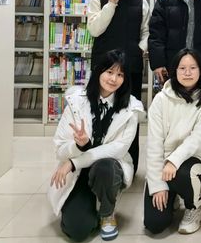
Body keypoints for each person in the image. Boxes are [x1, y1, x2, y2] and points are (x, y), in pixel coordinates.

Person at [48, 49, 144, 242]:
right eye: (109, 72)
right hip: (79, 174)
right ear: (99, 71)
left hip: (108, 169)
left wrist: (74, 162)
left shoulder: (131, 109)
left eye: (120, 75)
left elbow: (118, 149)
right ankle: (89, 206)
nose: (114, 79)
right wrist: (79, 145)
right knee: (77, 230)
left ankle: (107, 213)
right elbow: (60, 148)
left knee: (105, 166)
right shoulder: (76, 102)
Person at [143, 48, 201, 235]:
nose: (187, 73)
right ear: (174, 71)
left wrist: (173, 160)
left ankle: (194, 208)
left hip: (195, 159)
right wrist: (157, 185)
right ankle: (173, 193)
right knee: (155, 224)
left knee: (184, 173)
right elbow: (154, 144)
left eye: (193, 68)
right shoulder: (160, 99)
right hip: (164, 165)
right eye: (182, 68)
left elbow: (198, 138)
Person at [87, 0, 149, 172]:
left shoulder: (141, 1)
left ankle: (129, 165)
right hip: (103, 66)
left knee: (128, 114)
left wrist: (139, 49)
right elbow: (95, 30)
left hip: (131, 66)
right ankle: (96, 164)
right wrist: (111, 5)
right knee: (99, 112)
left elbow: (146, 31)